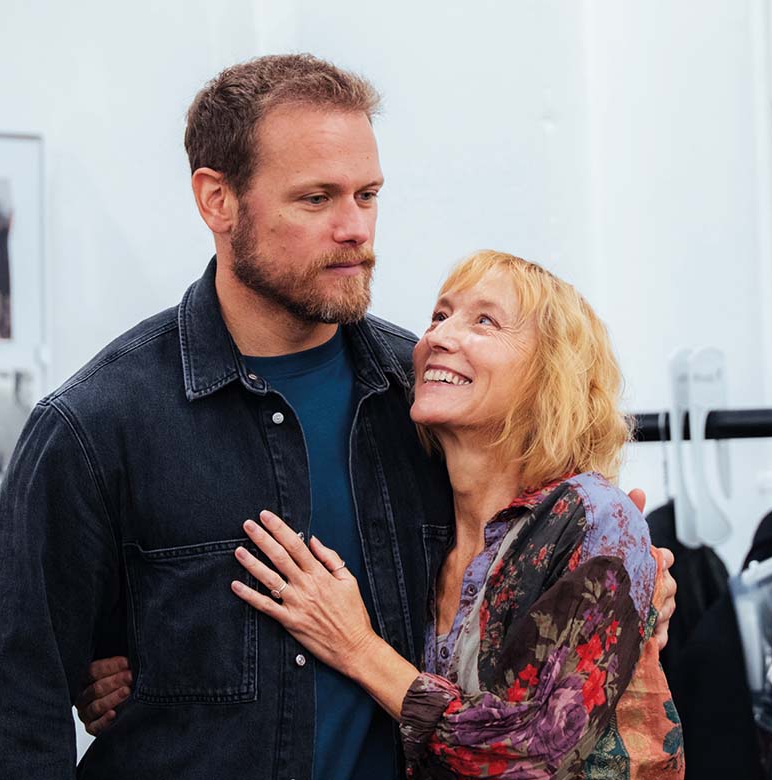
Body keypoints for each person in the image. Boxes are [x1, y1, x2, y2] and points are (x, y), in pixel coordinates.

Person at [0, 54, 675, 780]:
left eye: (367, 195)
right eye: (316, 199)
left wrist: (635, 594)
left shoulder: (434, 402)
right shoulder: (95, 428)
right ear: (217, 200)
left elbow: (555, 601)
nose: (355, 229)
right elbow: (12, 722)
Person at [82, 251, 687, 778]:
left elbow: (527, 756)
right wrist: (139, 668)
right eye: (441, 314)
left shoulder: (592, 518)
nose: (440, 335)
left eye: (485, 321)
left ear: (550, 374)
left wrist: (357, 646)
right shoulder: (439, 535)